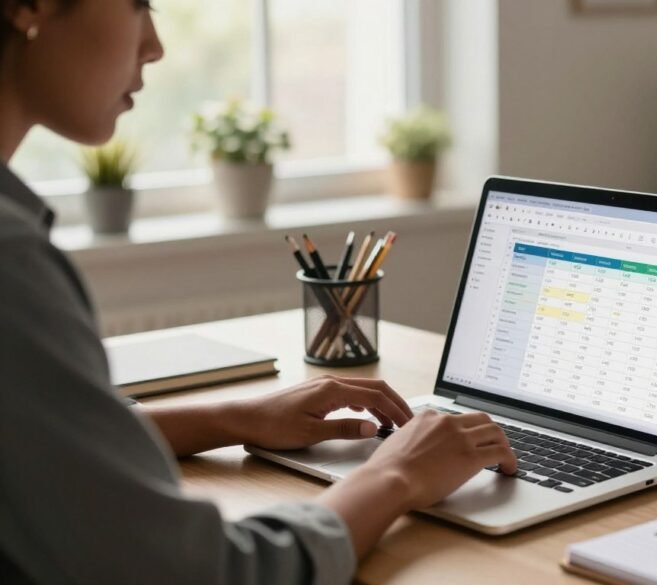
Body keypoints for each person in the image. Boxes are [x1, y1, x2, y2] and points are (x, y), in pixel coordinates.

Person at [0, 2, 516, 583]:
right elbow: (208, 574)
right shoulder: (11, 263)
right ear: (31, 7)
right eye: (139, 3)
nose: (155, 45)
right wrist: (395, 475)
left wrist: (234, 416)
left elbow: (42, 447)